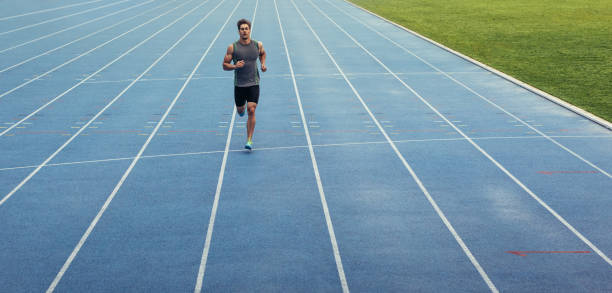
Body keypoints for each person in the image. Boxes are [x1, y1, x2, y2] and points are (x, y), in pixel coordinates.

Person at [223, 18, 266, 150]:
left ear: (249, 30)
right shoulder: (233, 47)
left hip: (254, 83)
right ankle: (240, 110)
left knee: (251, 110)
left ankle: (249, 140)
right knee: (241, 110)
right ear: (239, 31)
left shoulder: (257, 45)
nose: (244, 31)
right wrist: (235, 66)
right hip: (240, 85)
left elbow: (263, 54)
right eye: (242, 29)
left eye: (246, 28)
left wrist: (263, 64)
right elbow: (224, 66)